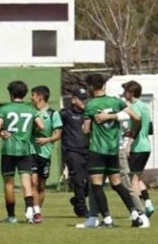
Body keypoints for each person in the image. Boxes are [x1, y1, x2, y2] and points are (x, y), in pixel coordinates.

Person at [78, 73, 142, 228]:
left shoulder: (91, 105)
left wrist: (89, 126)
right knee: (117, 183)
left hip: (97, 149)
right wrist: (114, 117)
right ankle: (134, 213)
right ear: (104, 86)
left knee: (97, 184)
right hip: (114, 149)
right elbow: (136, 117)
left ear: (91, 88)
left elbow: (86, 130)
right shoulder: (117, 101)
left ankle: (107, 219)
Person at [0, 81, 44, 224]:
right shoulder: (31, 109)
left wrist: (3, 130)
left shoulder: (4, 109)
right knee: (26, 182)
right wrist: (29, 130)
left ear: (10, 93)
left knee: (9, 183)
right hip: (25, 149)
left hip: (9, 149)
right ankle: (29, 212)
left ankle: (11, 216)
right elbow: (41, 126)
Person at [29, 85, 62, 223]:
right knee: (33, 183)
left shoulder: (53, 114)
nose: (31, 98)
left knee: (41, 185)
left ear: (40, 97)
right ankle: (34, 212)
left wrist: (46, 139)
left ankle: (37, 211)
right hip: (30, 152)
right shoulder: (30, 113)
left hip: (45, 154)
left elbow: (58, 134)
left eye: (33, 95)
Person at [122, 81, 154, 221]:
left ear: (131, 93)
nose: (124, 94)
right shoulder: (145, 106)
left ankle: (137, 210)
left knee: (132, 179)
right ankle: (147, 204)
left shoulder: (134, 107)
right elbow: (150, 128)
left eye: (125, 92)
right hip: (146, 145)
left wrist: (129, 142)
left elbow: (137, 123)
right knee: (138, 177)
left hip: (138, 147)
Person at [60, 88, 90, 218]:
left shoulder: (89, 113)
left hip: (88, 150)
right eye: (81, 99)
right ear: (73, 100)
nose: (84, 101)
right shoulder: (65, 114)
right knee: (78, 181)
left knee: (91, 182)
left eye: (85, 99)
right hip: (72, 151)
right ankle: (81, 209)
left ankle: (78, 199)